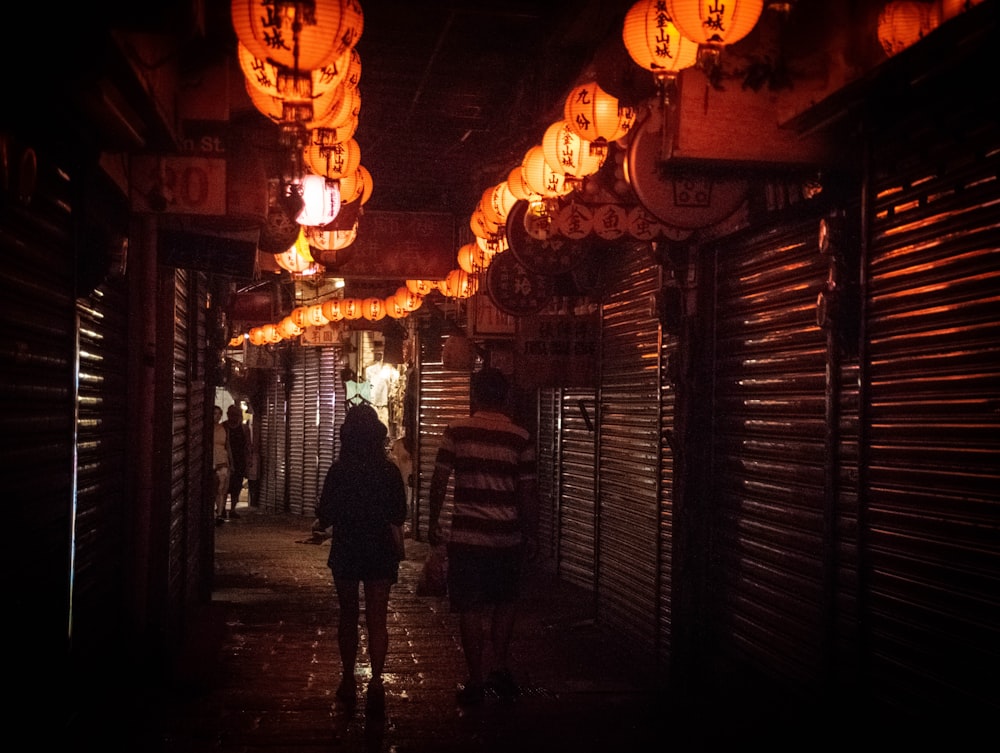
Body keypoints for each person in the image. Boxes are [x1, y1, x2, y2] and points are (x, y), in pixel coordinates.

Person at [428, 367, 538, 706]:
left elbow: (440, 479)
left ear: (474, 395)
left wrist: (433, 520)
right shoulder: (521, 437)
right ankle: (500, 667)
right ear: (505, 397)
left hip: (467, 538)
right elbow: (528, 492)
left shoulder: (456, 432)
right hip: (506, 537)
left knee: (470, 607)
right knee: (505, 603)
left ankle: (475, 678)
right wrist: (530, 534)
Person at [314, 403, 408, 715]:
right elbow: (399, 514)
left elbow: (325, 514)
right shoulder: (389, 472)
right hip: (380, 549)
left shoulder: (339, 471)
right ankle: (377, 681)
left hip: (348, 548)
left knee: (348, 616)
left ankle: (347, 680)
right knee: (377, 618)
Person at [224, 404, 251, 519]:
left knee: (237, 485)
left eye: (236, 415)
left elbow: (248, 445)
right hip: (226, 459)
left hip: (239, 459)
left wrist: (248, 460)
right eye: (232, 415)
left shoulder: (244, 428)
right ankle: (222, 507)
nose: (234, 417)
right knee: (225, 485)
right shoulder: (224, 427)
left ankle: (233, 508)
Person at [212, 405, 230, 526]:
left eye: (219, 414)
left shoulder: (223, 428)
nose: (217, 416)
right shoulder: (207, 428)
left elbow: (227, 446)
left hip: (222, 461)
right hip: (212, 461)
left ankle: (219, 514)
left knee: (220, 490)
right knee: (212, 489)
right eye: (214, 413)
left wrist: (230, 463)